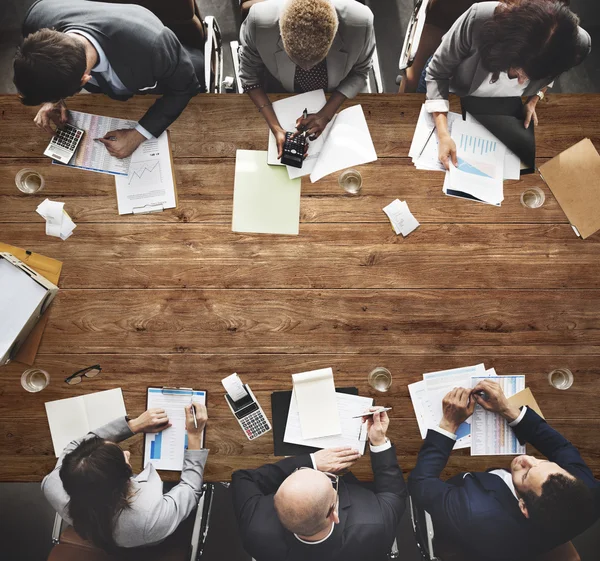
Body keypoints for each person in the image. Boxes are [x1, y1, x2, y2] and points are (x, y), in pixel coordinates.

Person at [408, 381, 599, 561]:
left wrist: (449, 424)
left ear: (523, 507)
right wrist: (509, 410)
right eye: (542, 462)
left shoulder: (474, 511)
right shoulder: (588, 492)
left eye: (525, 474)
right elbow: (561, 449)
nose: (527, 459)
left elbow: (420, 483)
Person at [14, 0, 205, 159]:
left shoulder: (154, 45)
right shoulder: (37, 17)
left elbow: (184, 88)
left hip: (170, 74)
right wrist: (52, 99)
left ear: (84, 79)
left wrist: (137, 135)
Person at [420, 0, 591, 169]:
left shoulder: (576, 46)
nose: (521, 82)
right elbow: (436, 73)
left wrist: (534, 99)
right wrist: (443, 134)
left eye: (530, 77)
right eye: (519, 71)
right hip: (450, 87)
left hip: (493, 107)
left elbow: (553, 74)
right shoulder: (480, 18)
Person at [231, 409, 407, 561]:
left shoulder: (255, 529)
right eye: (331, 481)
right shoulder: (376, 524)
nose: (325, 472)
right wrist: (378, 441)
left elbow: (243, 479)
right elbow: (394, 493)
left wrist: (312, 461)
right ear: (334, 514)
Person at [42, 403, 208, 550]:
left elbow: (77, 446)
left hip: (100, 532)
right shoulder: (150, 517)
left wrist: (134, 425)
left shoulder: (53, 483)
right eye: (125, 458)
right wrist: (194, 436)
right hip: (147, 537)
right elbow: (191, 489)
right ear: (126, 478)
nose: (127, 452)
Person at [239, 0, 375, 159]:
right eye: (294, 60)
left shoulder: (361, 22)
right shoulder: (259, 21)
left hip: (335, 93)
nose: (307, 69)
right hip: (278, 90)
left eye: (316, 61)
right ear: (281, 35)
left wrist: (326, 113)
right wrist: (276, 128)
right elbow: (249, 77)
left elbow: (360, 71)